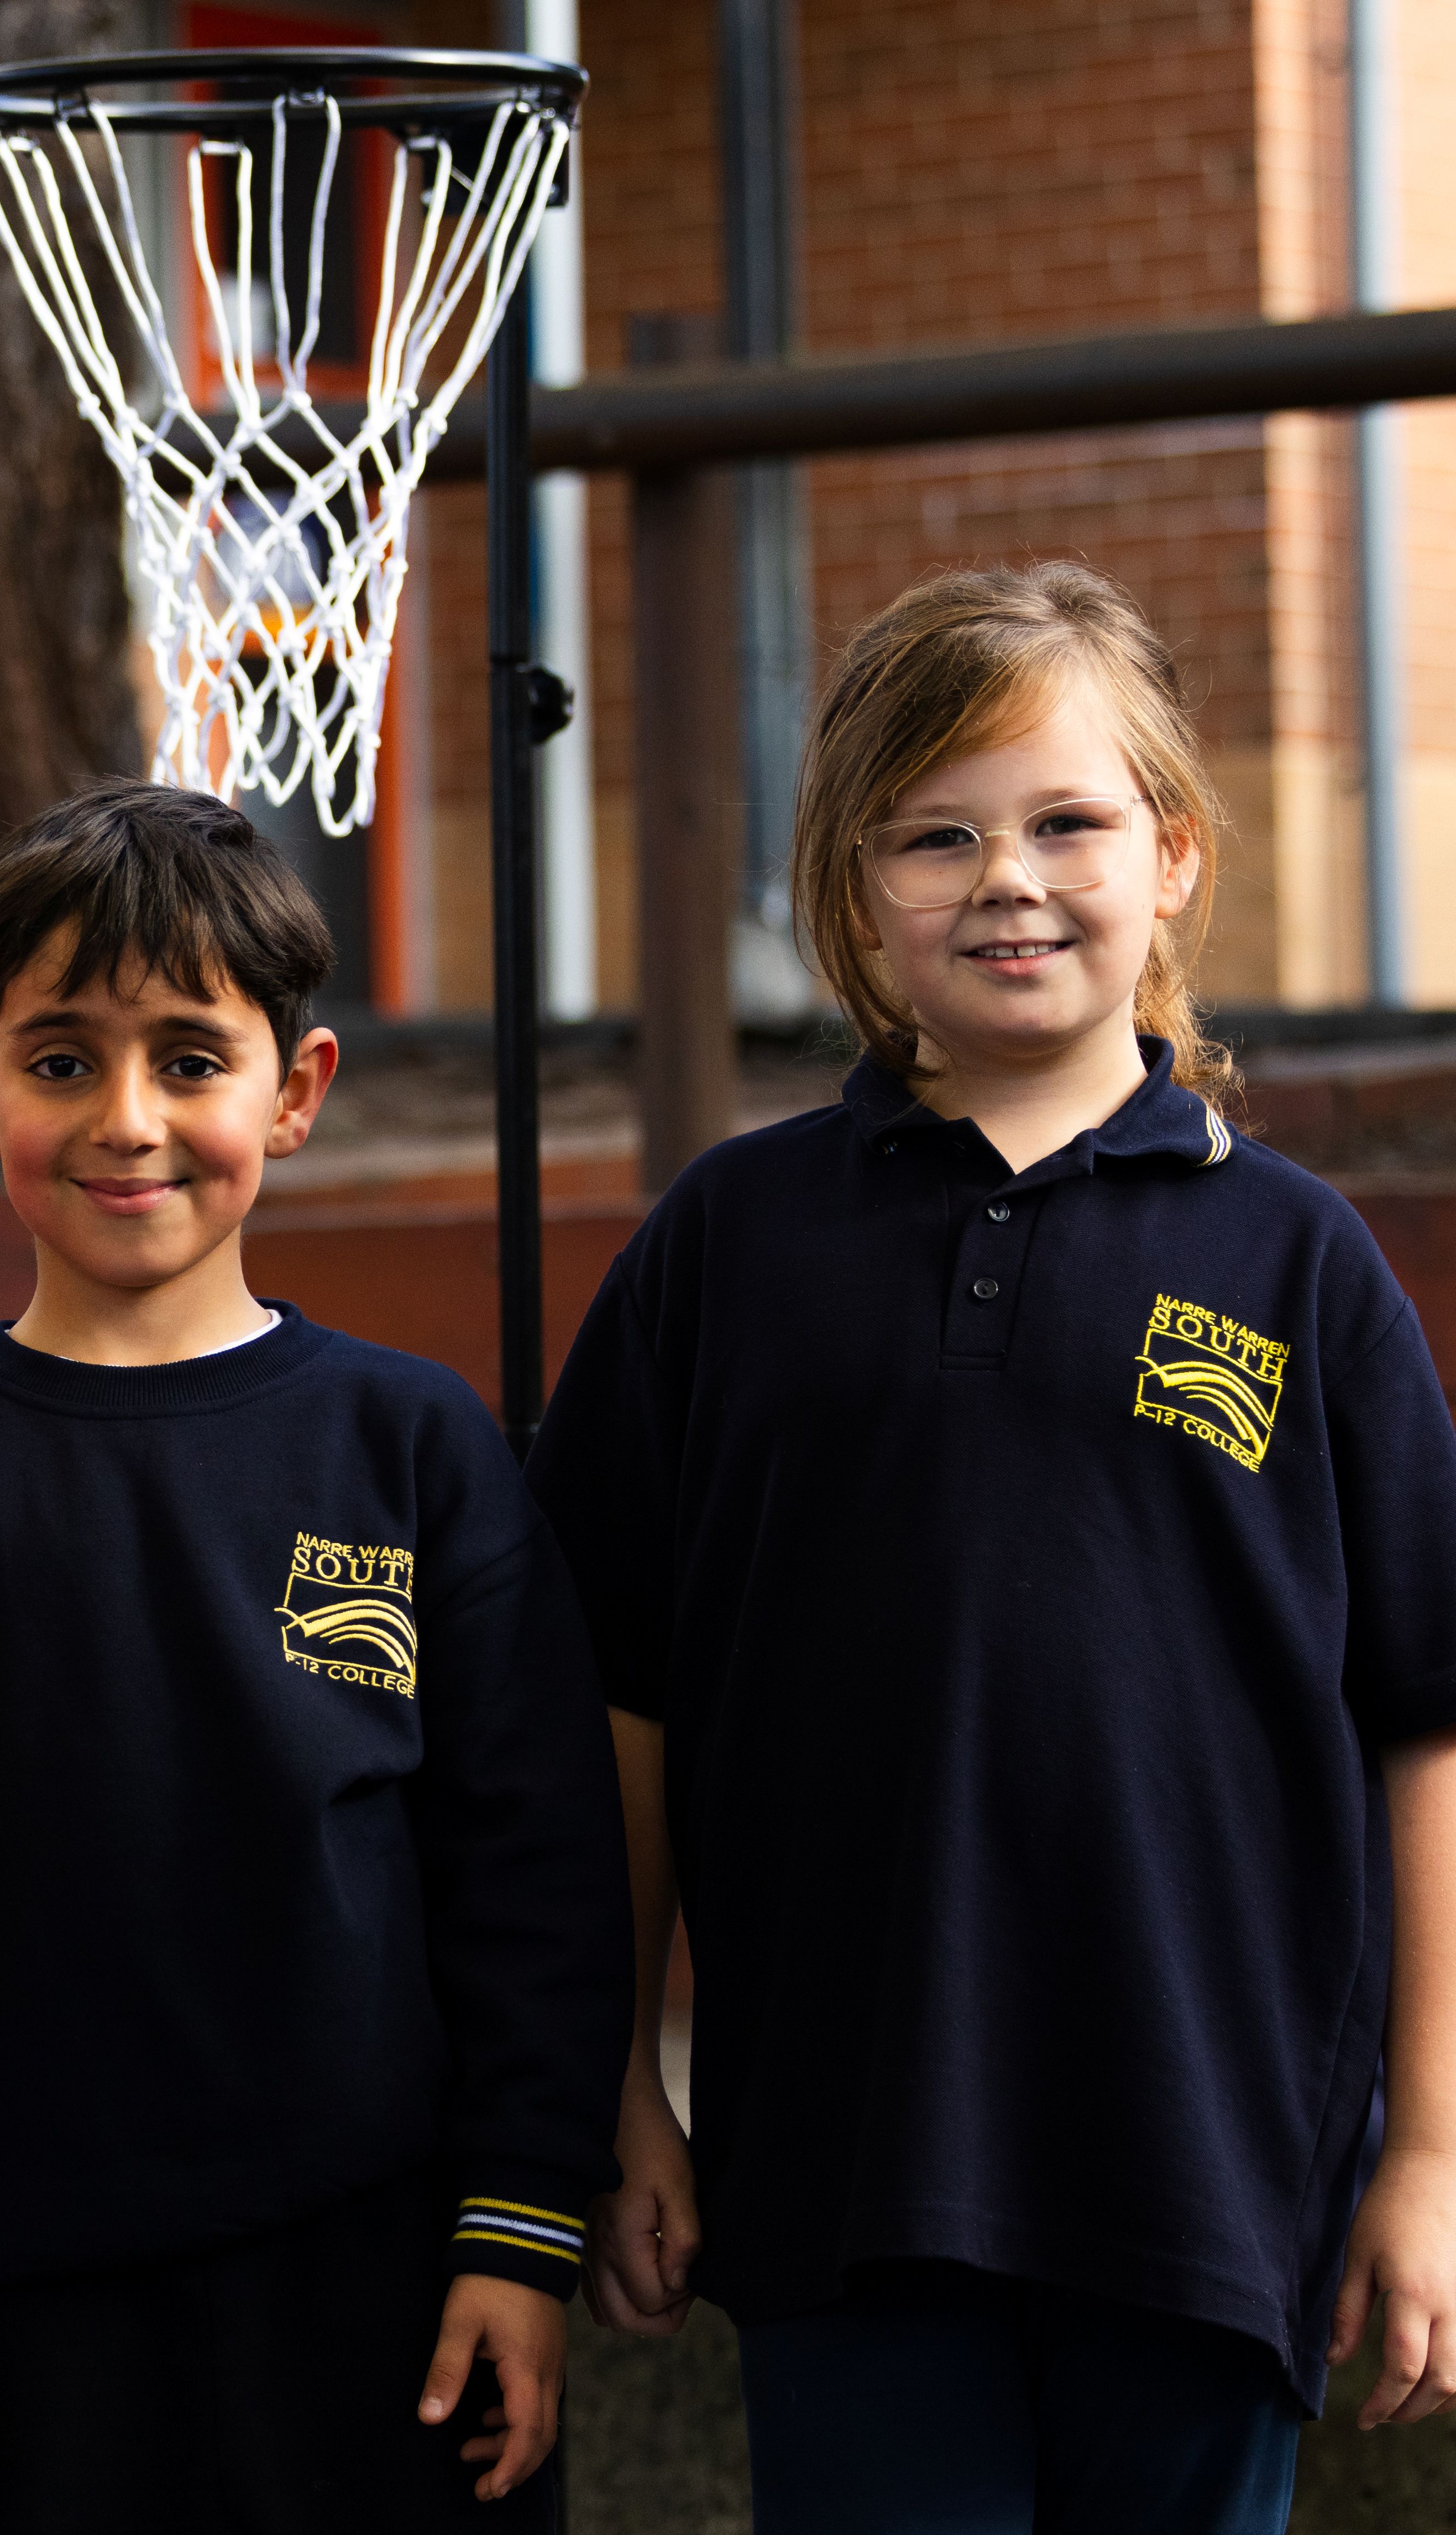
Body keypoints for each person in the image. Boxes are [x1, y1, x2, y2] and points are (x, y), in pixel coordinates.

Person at [531, 560, 1456, 2533]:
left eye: (1067, 820)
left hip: (1212, 2171)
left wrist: (1431, 2158)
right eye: (936, 835)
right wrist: (620, 2089)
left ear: (1177, 855)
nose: (1007, 877)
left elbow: (1423, 1726)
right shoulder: (728, 1246)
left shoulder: (1303, 1265)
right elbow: (615, 1700)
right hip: (846, 2159)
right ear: (857, 893)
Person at [0, 780, 634, 2535]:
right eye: (61, 1059)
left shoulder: (420, 1448)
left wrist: (525, 2226)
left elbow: (537, 1872)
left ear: (293, 1091)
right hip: (24, 2307)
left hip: (390, 2298)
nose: (128, 1118)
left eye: (189, 1059)